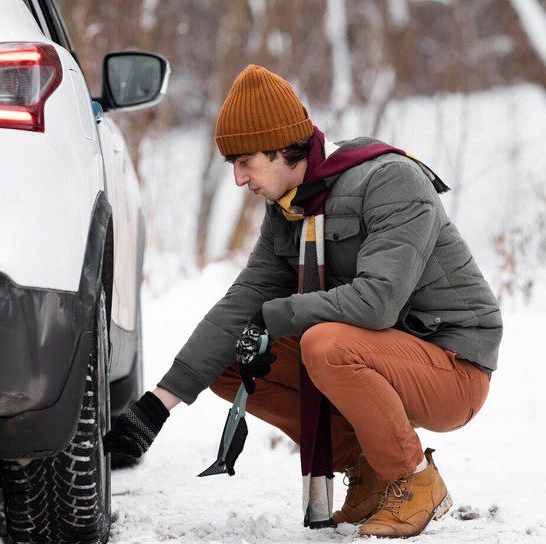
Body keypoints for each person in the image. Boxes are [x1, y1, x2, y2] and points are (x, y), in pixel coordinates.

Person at [105, 65, 503, 538]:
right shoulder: (291, 206)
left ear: (280, 148)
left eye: (245, 161)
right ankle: (369, 469)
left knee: (325, 344)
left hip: (453, 365)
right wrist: (158, 405)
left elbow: (377, 302)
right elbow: (245, 302)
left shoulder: (390, 180)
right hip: (382, 352)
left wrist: (278, 314)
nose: (238, 179)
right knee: (236, 359)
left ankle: (414, 480)